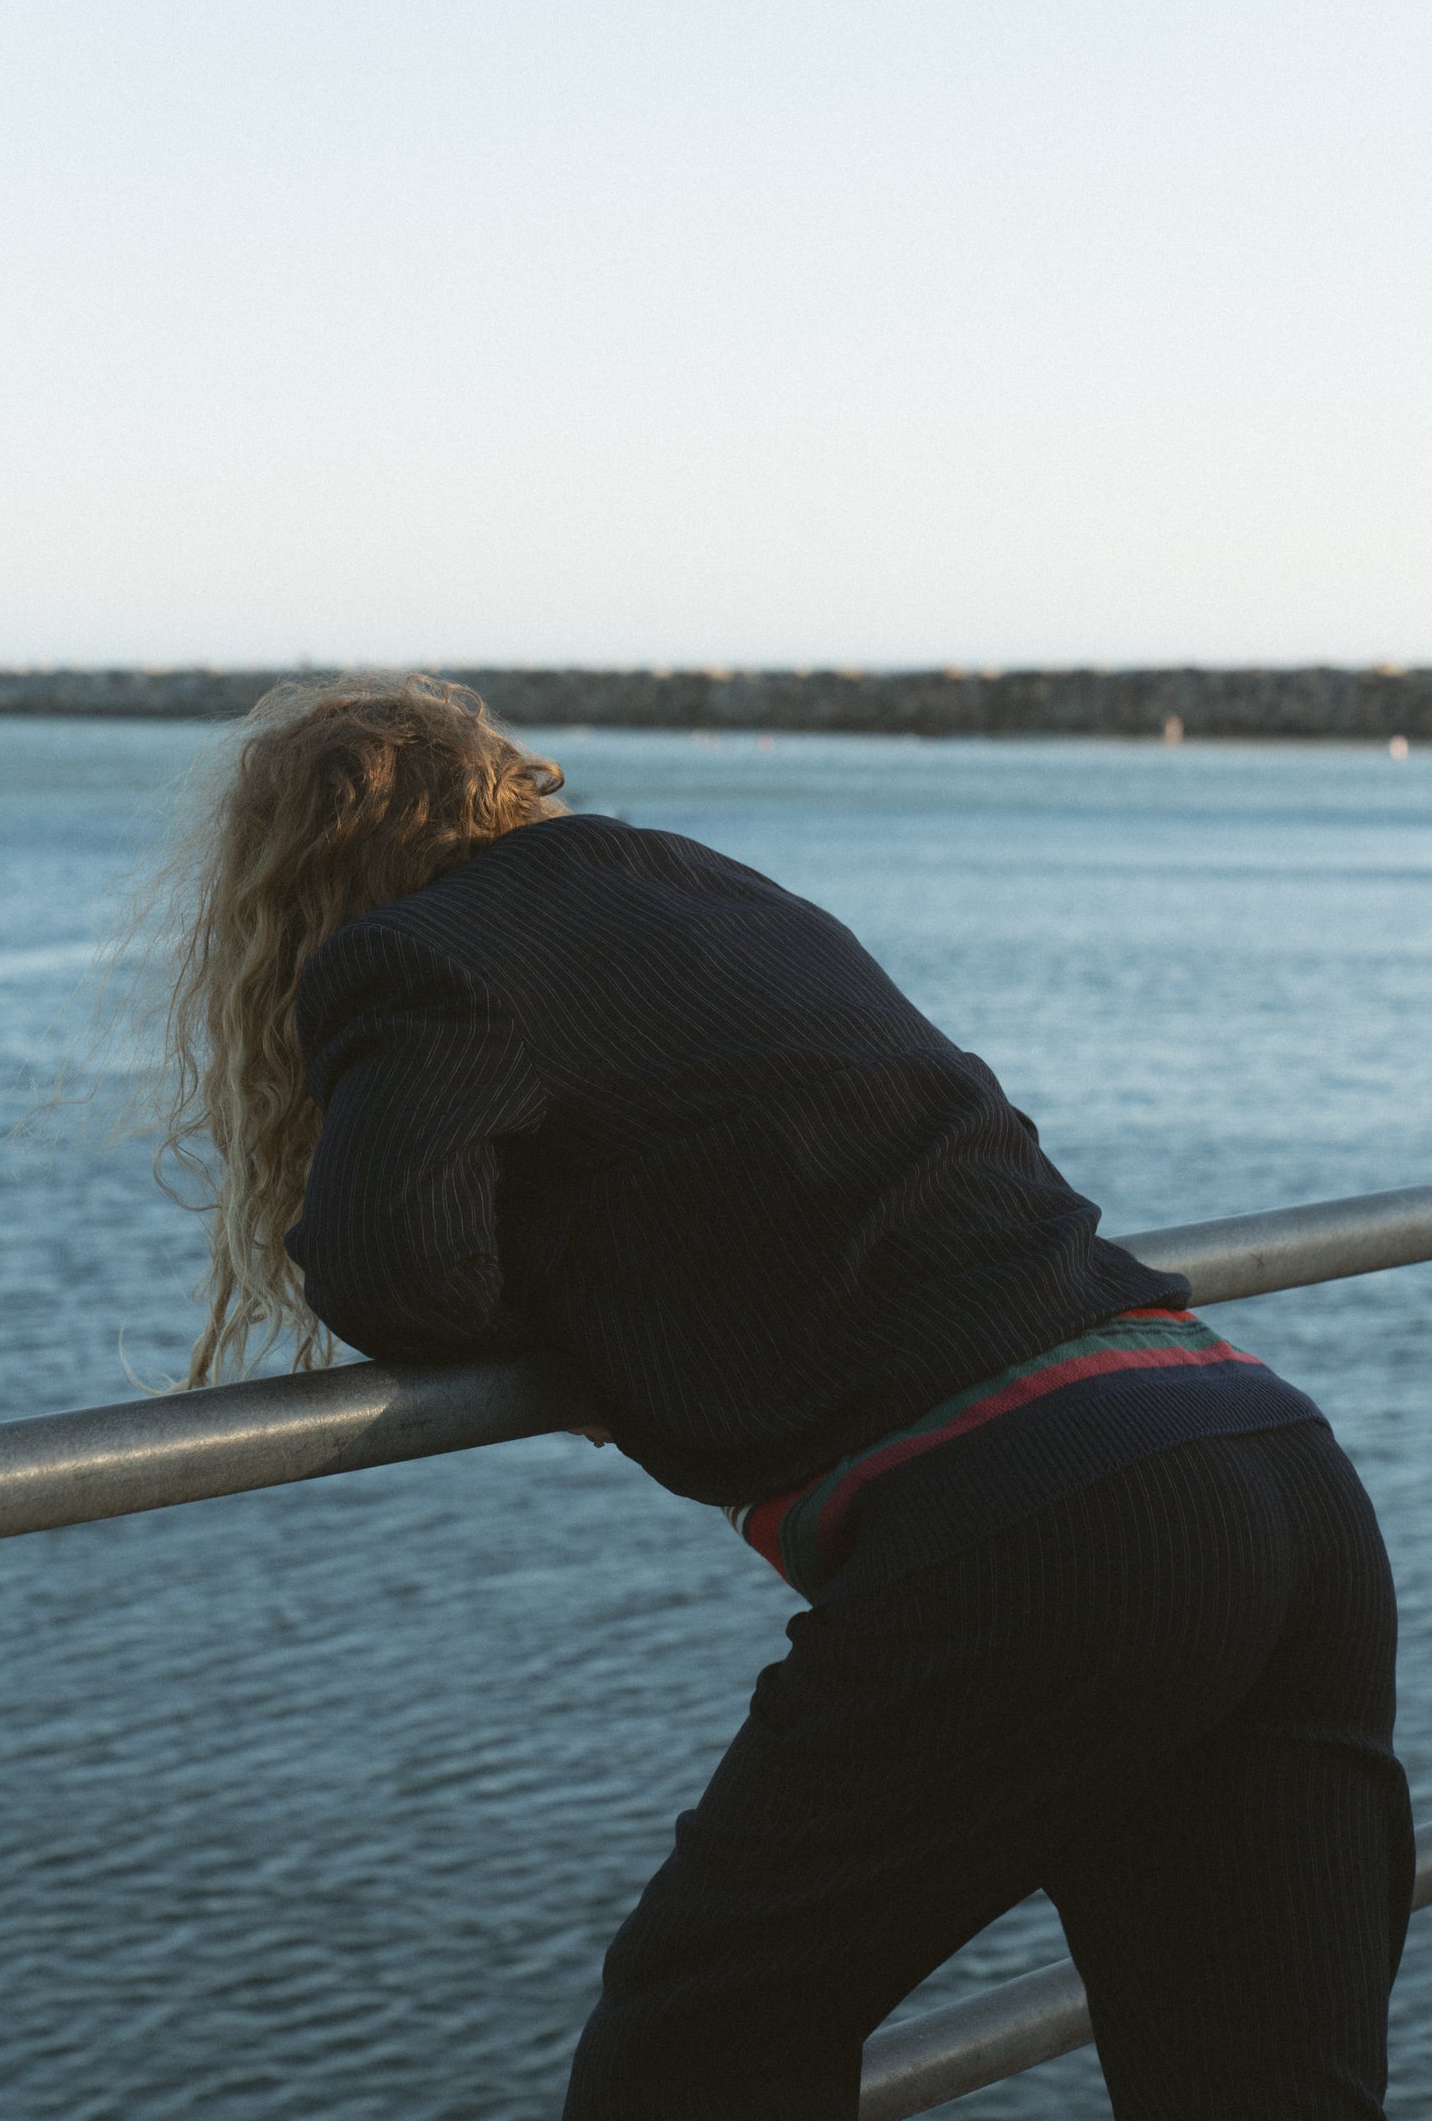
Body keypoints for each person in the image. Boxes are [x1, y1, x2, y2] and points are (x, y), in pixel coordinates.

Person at [160, 672, 1413, 2119]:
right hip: (1262, 1454)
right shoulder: (719, 893)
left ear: (297, 866)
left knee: (695, 2046)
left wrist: (582, 1327)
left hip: (1052, 1534)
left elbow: (398, 1275)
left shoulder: (411, 953)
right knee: (1266, 2085)